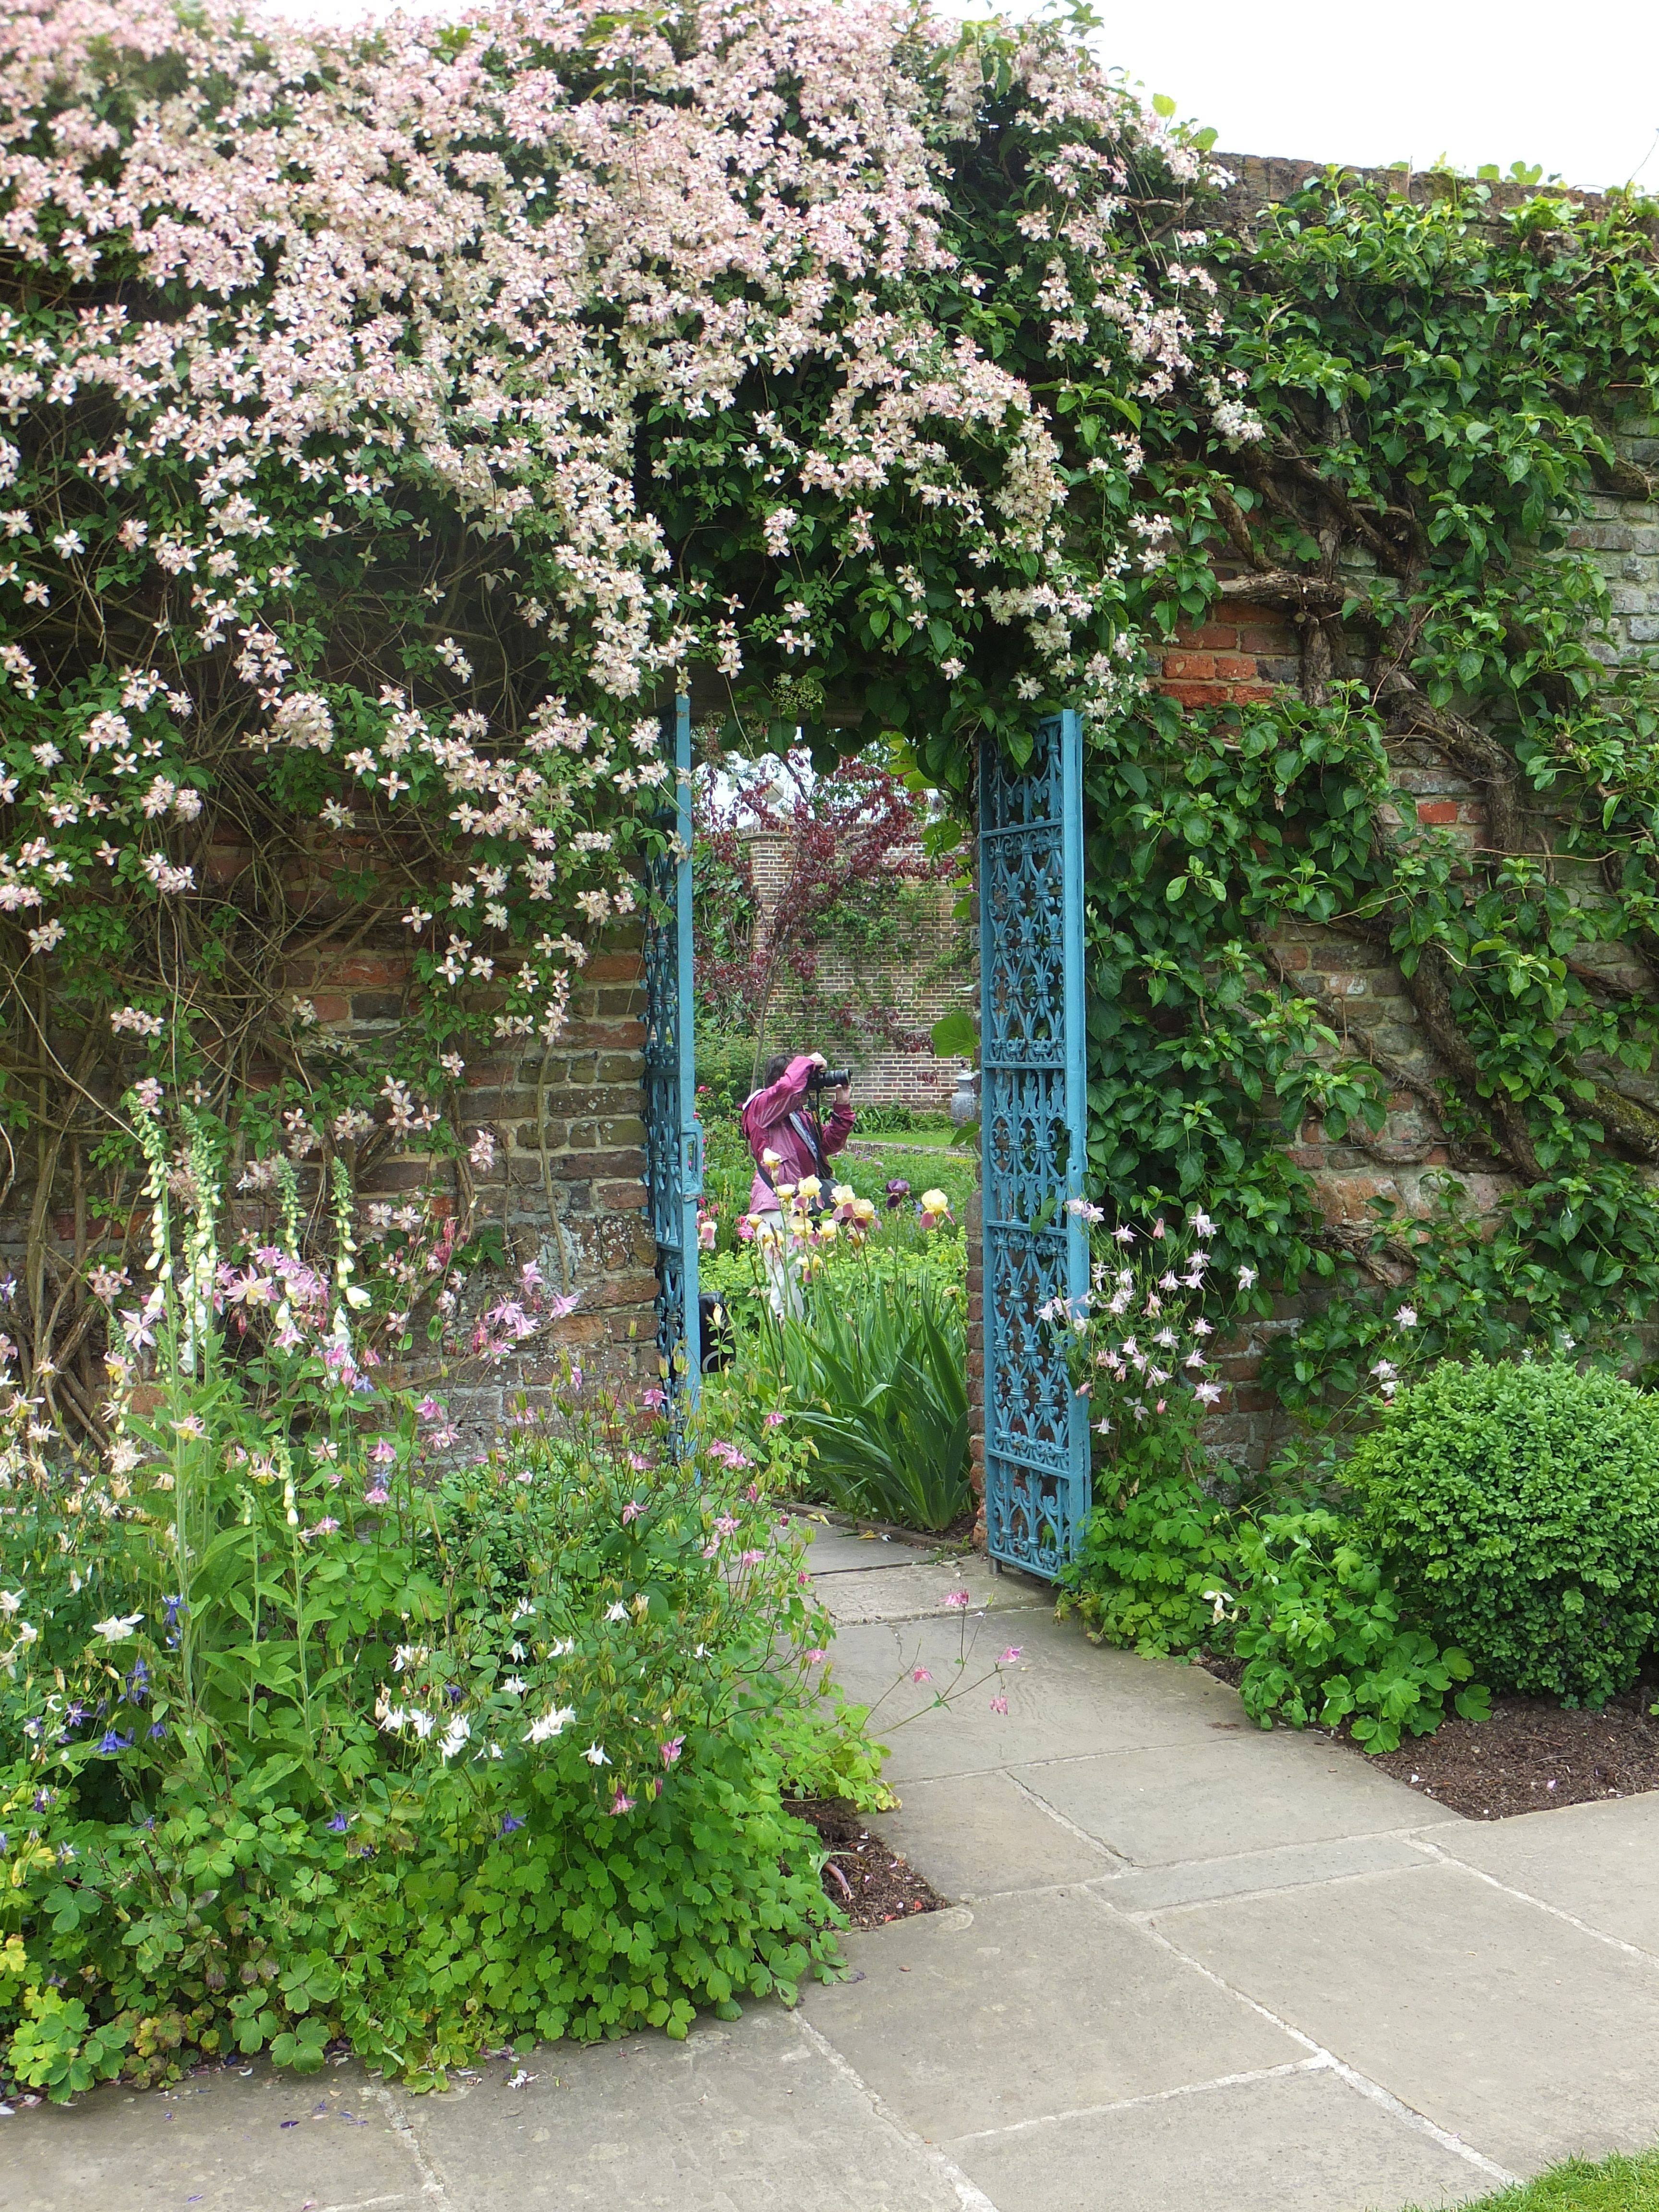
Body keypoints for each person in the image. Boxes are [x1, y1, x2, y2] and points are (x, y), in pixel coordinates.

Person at [740, 1051, 854, 1315]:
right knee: (785, 1283)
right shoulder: (759, 1108)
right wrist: (806, 1062)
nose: (806, 1089)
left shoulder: (799, 1116)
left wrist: (842, 1106)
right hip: (775, 1209)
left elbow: (828, 1145)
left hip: (802, 1209)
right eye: (806, 1081)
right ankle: (782, 1351)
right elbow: (788, 1088)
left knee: (802, 1284)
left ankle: (800, 1347)